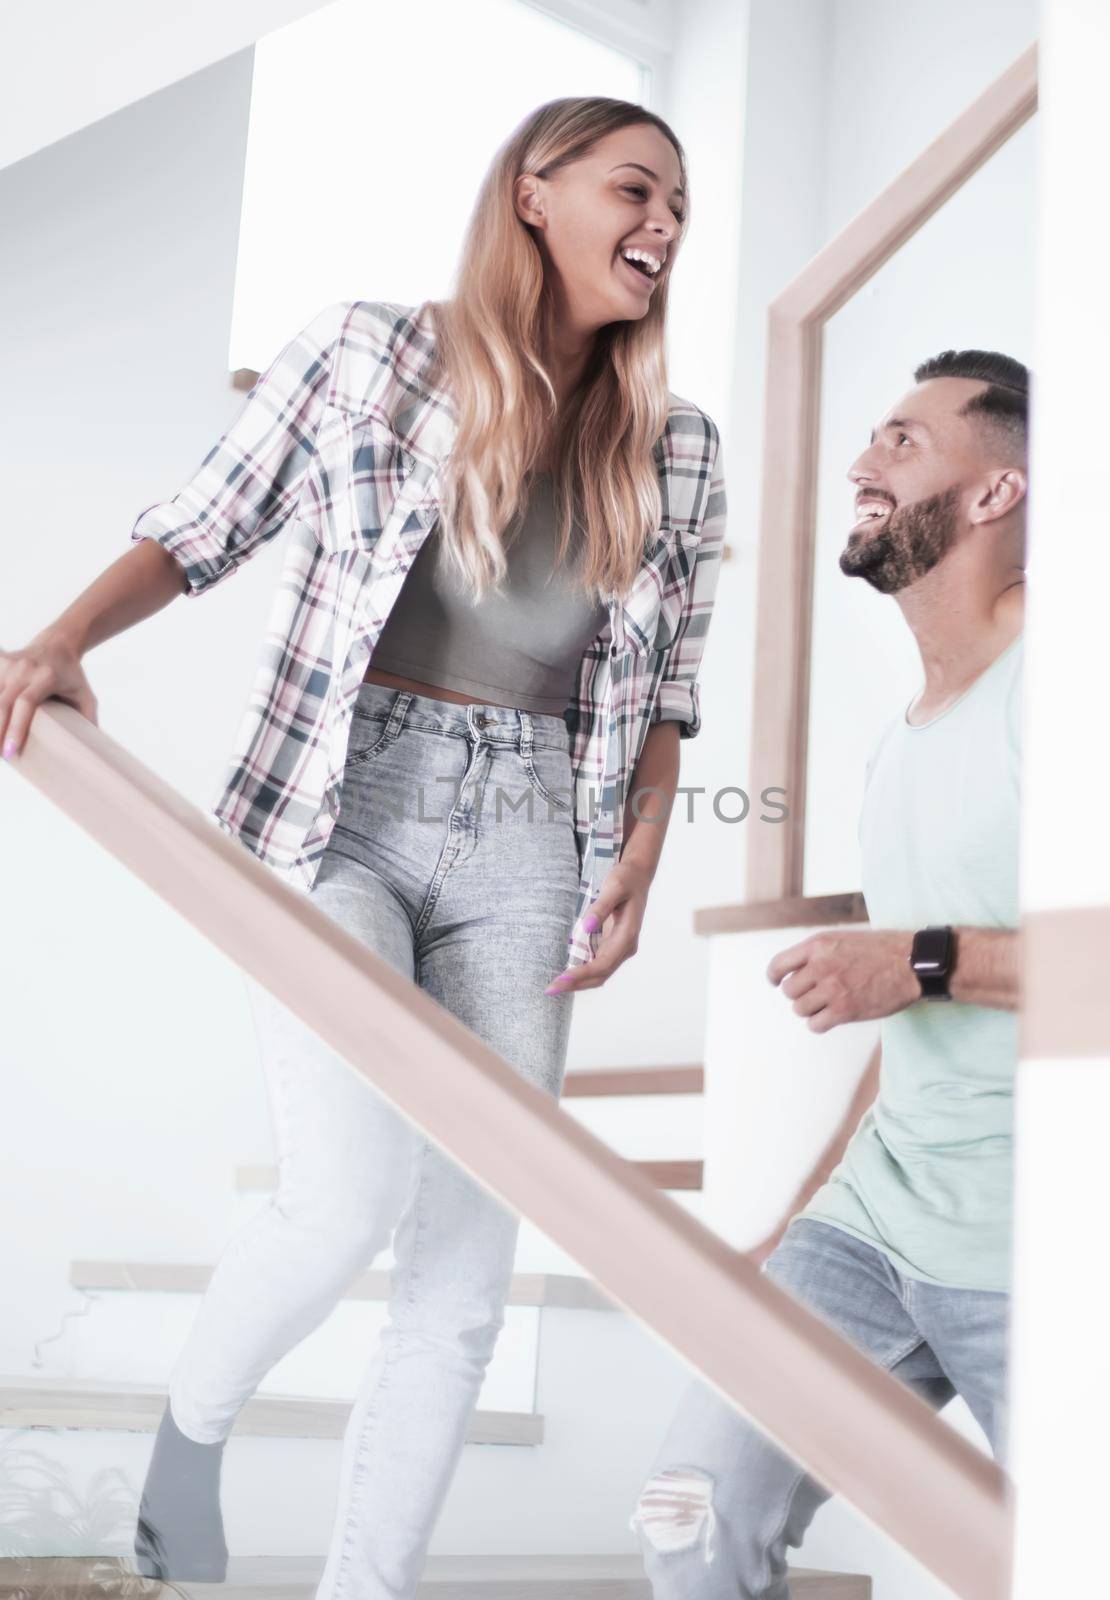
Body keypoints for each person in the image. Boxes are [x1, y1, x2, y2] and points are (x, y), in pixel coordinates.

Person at [0, 97, 727, 1599]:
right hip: (341, 802)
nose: (662, 227)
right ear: (533, 192)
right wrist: (60, 638)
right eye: (634, 189)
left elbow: (663, 697)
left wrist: (641, 853)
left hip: (537, 830)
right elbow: (204, 525)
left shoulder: (679, 445)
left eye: (678, 210)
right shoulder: (363, 355)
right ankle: (189, 1440)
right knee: (340, 1198)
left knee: (466, 1278)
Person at [631, 349, 1026, 1599]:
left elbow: (933, 975)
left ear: (996, 491)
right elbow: (918, 1026)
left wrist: (917, 960)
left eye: (905, 443)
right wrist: (795, 1225)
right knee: (686, 1515)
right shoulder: (899, 744)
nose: (863, 463)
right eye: (869, 438)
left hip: (1044, 1244)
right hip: (875, 1219)